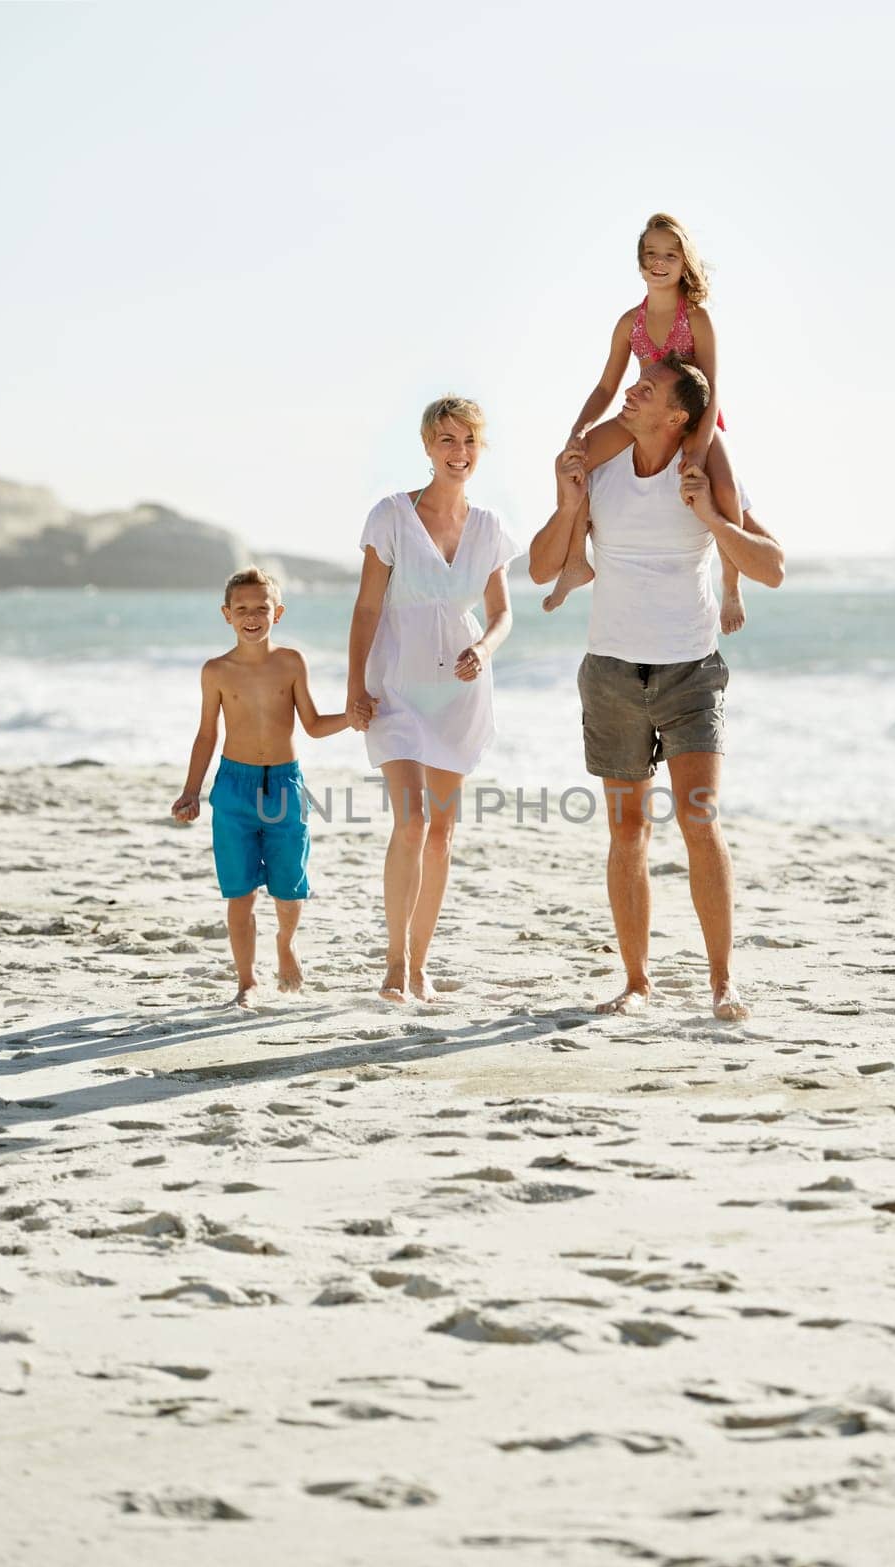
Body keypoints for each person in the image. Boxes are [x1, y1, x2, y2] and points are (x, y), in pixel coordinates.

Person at [529, 353, 784, 1021]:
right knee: (627, 832)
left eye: (647, 388)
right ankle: (636, 982)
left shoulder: (701, 474)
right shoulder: (603, 468)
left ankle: (722, 980)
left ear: (675, 417)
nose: (629, 390)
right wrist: (567, 503)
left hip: (688, 672)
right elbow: (539, 567)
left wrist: (710, 518)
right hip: (611, 672)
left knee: (698, 820)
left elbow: (773, 567)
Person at [347, 396, 518, 1004]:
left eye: (468, 441)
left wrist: (486, 650)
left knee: (442, 832)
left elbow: (500, 616)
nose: (458, 453)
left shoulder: (491, 527)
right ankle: (394, 964)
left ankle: (420, 964)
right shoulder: (391, 516)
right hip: (395, 684)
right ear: (426, 447)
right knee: (412, 821)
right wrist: (354, 688)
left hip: (459, 690)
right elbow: (368, 607)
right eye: (446, 440)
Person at [544, 212, 746, 636]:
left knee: (725, 489)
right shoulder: (628, 323)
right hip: (640, 415)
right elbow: (605, 387)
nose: (659, 262)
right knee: (572, 460)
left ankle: (731, 583)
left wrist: (698, 448)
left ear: (684, 262)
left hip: (695, 417)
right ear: (640, 260)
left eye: (670, 255)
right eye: (650, 254)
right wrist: (578, 429)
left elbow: (711, 391)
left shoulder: (697, 319)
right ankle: (577, 562)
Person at [171, 566, 348, 1008]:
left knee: (290, 885)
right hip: (234, 787)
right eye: (242, 609)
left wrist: (353, 718)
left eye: (261, 608)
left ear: (278, 613)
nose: (252, 616)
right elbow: (207, 735)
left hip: (285, 785)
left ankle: (285, 943)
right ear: (226, 614)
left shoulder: (291, 662)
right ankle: (246, 980)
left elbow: (312, 724)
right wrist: (191, 790)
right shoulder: (215, 671)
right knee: (240, 889)